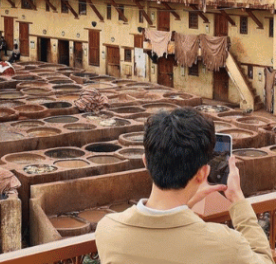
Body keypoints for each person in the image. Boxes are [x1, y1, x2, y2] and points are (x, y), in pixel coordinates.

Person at [95, 107, 270, 264]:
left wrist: (189, 202)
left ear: (146, 162)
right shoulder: (226, 245)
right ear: (202, 174)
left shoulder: (108, 231)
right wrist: (238, 200)